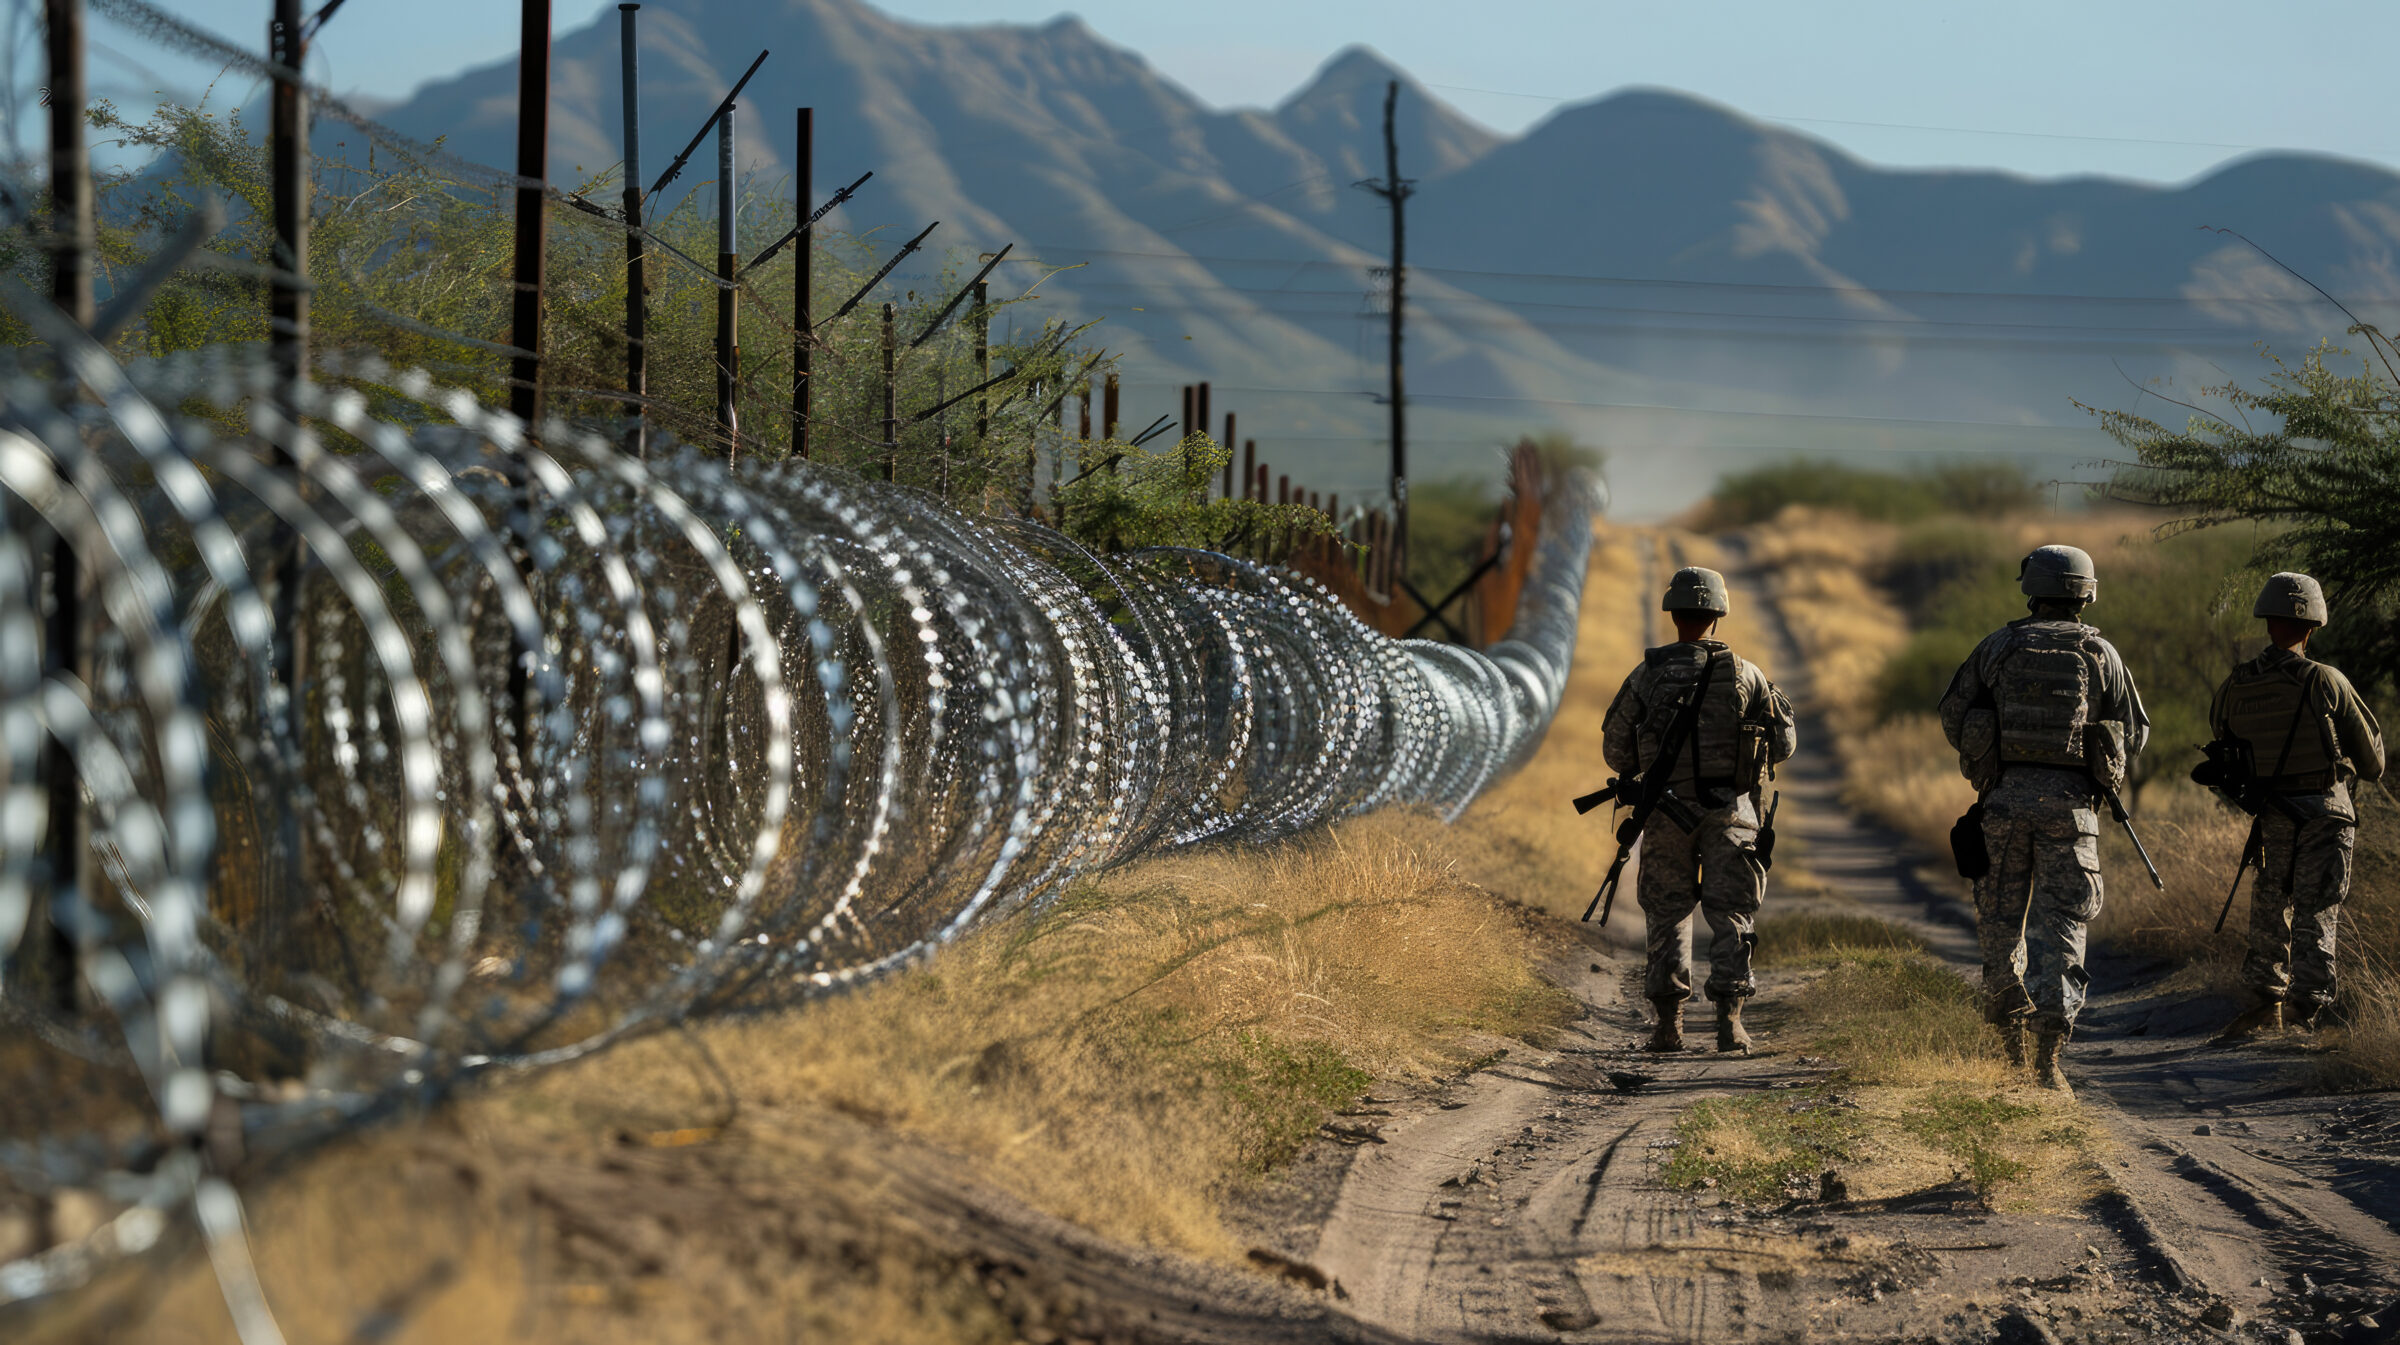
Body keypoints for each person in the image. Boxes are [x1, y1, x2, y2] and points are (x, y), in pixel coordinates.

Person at [1938, 545, 2149, 1094]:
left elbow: (1954, 715)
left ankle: (2009, 1050)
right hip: (2072, 810)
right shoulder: (2101, 654)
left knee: (2000, 921)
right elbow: (2136, 733)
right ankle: (2048, 1061)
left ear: (2031, 590)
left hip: (2002, 804)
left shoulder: (1999, 647)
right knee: (2063, 924)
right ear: (2086, 593)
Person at [1601, 565, 1797, 1053]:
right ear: (1719, 614)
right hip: (1732, 814)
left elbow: (1616, 750)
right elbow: (1785, 745)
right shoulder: (1748, 674)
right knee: (1732, 914)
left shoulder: (1647, 674)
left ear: (1673, 614)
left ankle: (1668, 1027)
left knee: (1668, 914)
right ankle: (1731, 1023)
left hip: (1667, 814)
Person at [2210, 572, 2385, 1040]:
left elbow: (2222, 742)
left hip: (2271, 814)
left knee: (2270, 906)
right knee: (2317, 910)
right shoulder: (2325, 681)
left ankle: (2265, 1005)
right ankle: (2307, 1012)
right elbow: (2373, 764)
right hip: (2325, 814)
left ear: (2268, 621)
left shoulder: (2235, 684)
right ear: (2313, 625)